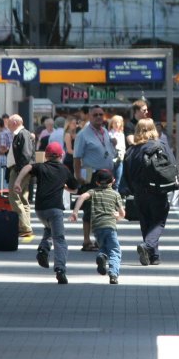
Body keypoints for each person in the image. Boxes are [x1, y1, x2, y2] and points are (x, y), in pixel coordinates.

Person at [12, 142, 78, 285]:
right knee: (59, 239)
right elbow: (75, 189)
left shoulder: (41, 167)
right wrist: (65, 187)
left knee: (49, 228)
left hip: (40, 210)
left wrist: (17, 182)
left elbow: (27, 166)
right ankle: (60, 269)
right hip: (55, 209)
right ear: (61, 156)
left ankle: (43, 248)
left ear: (46, 156)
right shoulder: (64, 170)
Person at [122, 118, 175, 266]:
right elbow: (172, 165)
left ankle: (154, 256)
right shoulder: (161, 145)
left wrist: (133, 190)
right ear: (154, 129)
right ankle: (148, 247)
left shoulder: (131, 150)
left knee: (146, 223)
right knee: (158, 222)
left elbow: (126, 174)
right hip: (158, 191)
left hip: (139, 192)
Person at [74, 105, 117, 252]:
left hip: (107, 174)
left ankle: (100, 239)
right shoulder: (83, 135)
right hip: (91, 175)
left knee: (105, 208)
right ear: (89, 117)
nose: (99, 117)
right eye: (95, 115)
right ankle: (86, 241)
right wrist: (78, 175)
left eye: (101, 114)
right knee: (89, 209)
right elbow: (77, 157)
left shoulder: (104, 131)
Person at [71, 168, 125, 284]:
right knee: (115, 250)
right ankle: (113, 274)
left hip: (96, 227)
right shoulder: (115, 194)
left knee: (104, 246)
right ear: (113, 181)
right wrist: (118, 217)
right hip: (110, 226)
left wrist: (75, 212)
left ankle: (102, 256)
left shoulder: (93, 191)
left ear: (97, 182)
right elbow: (122, 213)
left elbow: (81, 197)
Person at [6, 114, 35, 240]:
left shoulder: (22, 134)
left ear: (15, 122)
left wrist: (20, 172)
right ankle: (25, 226)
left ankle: (24, 227)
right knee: (22, 198)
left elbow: (25, 154)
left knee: (14, 197)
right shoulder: (23, 134)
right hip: (22, 170)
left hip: (19, 170)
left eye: (9, 123)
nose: (7, 126)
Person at [109, 115, 127, 190]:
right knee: (111, 181)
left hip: (120, 159)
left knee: (118, 181)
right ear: (112, 124)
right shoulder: (109, 134)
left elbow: (123, 146)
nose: (116, 124)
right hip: (111, 159)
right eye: (115, 122)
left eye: (118, 122)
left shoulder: (122, 134)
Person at [0, 116, 12, 190]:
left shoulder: (2, 134)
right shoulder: (9, 132)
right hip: (8, 161)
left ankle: (3, 201)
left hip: (2, 162)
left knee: (1, 185)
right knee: (7, 183)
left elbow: (2, 150)